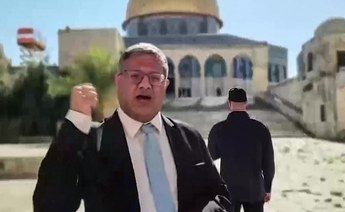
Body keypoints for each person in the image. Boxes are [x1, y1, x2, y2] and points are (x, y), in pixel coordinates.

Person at [33, 43, 232, 212]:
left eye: (155, 78)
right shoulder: (93, 142)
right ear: (119, 81)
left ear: (165, 86)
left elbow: (220, 194)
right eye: (135, 76)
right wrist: (76, 122)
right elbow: (49, 205)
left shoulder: (188, 137)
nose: (145, 85)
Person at [207, 88, 275, 212]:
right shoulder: (261, 129)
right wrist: (267, 188)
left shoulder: (218, 130)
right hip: (254, 189)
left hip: (229, 190)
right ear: (246, 104)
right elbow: (268, 163)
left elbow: (209, 159)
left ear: (229, 104)